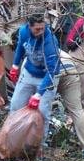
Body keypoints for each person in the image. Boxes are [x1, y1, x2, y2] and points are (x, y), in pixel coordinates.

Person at [7, 13, 61, 145]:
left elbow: (52, 71)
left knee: (42, 112)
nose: (41, 31)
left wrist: (38, 95)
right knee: (15, 105)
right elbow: (20, 47)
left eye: (43, 28)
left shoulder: (50, 41)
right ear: (29, 26)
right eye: (37, 29)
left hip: (47, 78)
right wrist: (15, 65)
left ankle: (39, 145)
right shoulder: (23, 31)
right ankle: (13, 140)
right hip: (29, 72)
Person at [57, 50, 84, 160]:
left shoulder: (29, 53)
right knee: (77, 110)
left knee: (43, 109)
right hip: (70, 67)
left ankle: (39, 148)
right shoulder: (51, 43)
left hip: (54, 69)